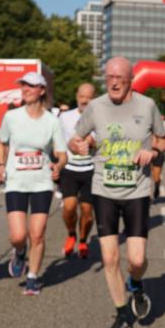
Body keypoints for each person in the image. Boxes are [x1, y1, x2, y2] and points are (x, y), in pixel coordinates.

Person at [69, 57, 165, 328]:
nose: (113, 82)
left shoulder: (147, 105)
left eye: (119, 78)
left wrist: (154, 152)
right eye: (109, 76)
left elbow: (163, 138)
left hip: (136, 190)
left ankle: (136, 284)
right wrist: (77, 145)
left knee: (136, 260)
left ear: (130, 80)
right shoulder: (96, 107)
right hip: (103, 190)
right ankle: (122, 314)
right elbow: (75, 138)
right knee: (110, 259)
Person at [0, 73, 67, 296]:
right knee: (18, 235)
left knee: (37, 233)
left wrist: (59, 166)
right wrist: (0, 164)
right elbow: (2, 142)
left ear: (42, 90)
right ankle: (19, 252)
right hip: (16, 181)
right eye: (22, 85)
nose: (25, 89)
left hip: (42, 183)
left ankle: (33, 277)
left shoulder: (52, 121)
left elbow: (62, 153)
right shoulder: (12, 117)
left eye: (30, 86)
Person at [58, 83, 96, 259]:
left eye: (89, 97)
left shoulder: (100, 117)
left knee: (87, 212)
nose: (85, 100)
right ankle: (71, 234)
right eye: (82, 96)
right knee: (70, 207)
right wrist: (57, 162)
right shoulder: (65, 117)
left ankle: (83, 240)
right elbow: (56, 141)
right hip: (69, 169)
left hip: (91, 169)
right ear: (77, 97)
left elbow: (105, 144)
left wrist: (92, 141)